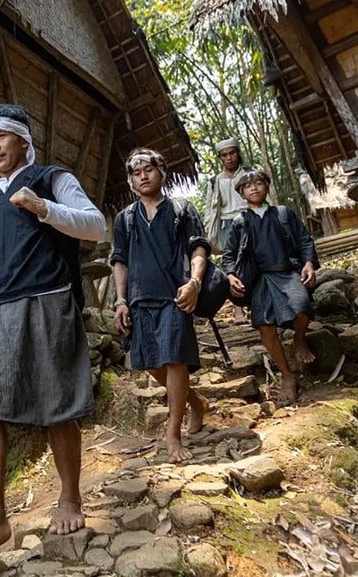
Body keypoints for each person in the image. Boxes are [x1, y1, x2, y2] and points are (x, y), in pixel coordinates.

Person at [0, 103, 106, 563]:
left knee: (57, 406)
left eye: (1, 136)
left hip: (46, 299)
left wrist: (43, 208)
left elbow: (96, 226)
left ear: (23, 139)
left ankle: (70, 498)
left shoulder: (52, 178)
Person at [110, 149, 211, 463]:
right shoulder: (125, 218)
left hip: (175, 295)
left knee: (174, 359)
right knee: (152, 364)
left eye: (148, 169)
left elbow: (198, 248)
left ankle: (173, 434)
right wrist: (121, 300)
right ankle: (195, 402)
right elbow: (119, 260)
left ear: (162, 173)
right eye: (136, 172)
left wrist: (194, 282)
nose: (143, 176)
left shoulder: (181, 209)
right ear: (131, 180)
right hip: (140, 299)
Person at [221, 168, 319, 406]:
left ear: (266, 186)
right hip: (260, 280)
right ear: (241, 193)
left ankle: (299, 338)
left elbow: (305, 240)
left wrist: (308, 264)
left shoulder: (284, 213)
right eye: (247, 186)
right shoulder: (239, 222)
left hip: (287, 272)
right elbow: (229, 254)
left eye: (258, 183)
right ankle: (287, 376)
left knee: (302, 307)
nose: (253, 188)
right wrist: (230, 275)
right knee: (265, 328)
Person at [204, 139, 261, 324]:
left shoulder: (250, 173)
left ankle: (257, 305)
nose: (229, 158)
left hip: (249, 219)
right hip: (227, 225)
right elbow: (210, 208)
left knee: (255, 261)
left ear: (238, 153)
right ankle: (238, 309)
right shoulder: (215, 180)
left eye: (232, 153)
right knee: (232, 265)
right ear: (220, 158)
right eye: (224, 155)